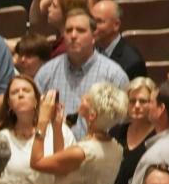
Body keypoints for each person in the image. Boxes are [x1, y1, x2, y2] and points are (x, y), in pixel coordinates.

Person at [30, 81, 127, 184]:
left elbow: (36, 162)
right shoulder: (116, 148)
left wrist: (42, 122)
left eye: (87, 99)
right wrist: (57, 127)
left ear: (92, 115)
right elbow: (63, 167)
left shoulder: (82, 152)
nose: (82, 97)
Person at [34, 9, 129, 139]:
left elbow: (123, 122)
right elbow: (33, 115)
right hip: (55, 154)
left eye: (80, 30)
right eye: (68, 30)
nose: (73, 35)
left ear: (94, 36)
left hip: (98, 152)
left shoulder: (113, 75)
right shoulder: (47, 72)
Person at [0, 75, 74, 184]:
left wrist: (51, 126)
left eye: (26, 90)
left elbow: (67, 170)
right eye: (15, 92)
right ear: (9, 103)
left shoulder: (59, 129)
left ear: (37, 99)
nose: (20, 94)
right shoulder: (1, 138)